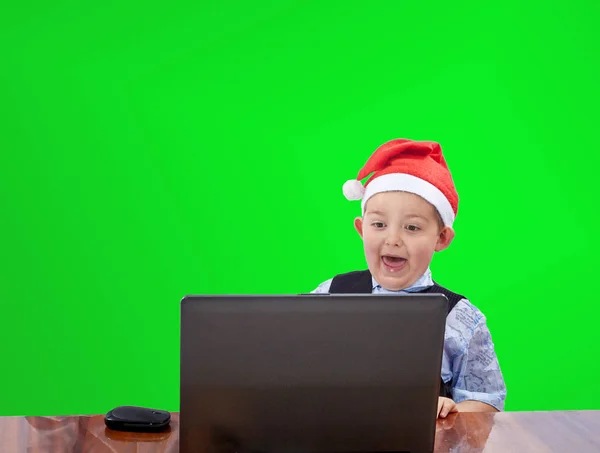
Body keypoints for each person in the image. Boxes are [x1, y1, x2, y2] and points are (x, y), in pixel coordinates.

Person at [312, 138, 506, 418]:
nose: (393, 239)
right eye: (378, 224)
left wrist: (455, 412)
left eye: (412, 227)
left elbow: (487, 402)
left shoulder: (460, 317)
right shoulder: (330, 292)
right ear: (361, 229)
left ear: (441, 238)